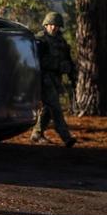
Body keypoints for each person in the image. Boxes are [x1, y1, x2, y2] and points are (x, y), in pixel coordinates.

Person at [30, 11, 77, 148]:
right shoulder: (40, 40)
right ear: (46, 25)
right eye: (50, 25)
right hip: (44, 78)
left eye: (56, 25)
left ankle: (37, 134)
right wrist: (57, 65)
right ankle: (66, 137)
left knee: (47, 109)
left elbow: (67, 60)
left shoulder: (61, 41)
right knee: (55, 107)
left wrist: (72, 74)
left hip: (56, 79)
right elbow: (36, 61)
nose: (53, 28)